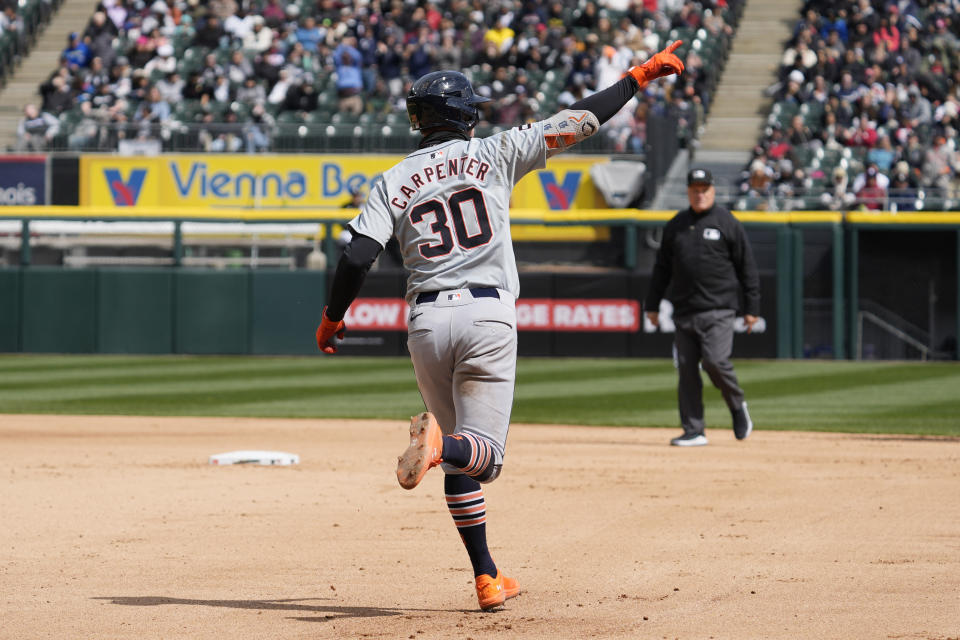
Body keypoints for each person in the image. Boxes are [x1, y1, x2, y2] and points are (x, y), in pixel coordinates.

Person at [315, 43, 685, 609]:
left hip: (426, 323)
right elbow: (580, 120)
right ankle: (439, 449)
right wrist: (638, 75)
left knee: (460, 446)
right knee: (482, 456)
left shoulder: (391, 179)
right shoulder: (497, 151)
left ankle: (487, 577)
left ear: (418, 119)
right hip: (487, 314)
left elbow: (356, 257)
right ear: (466, 115)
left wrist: (333, 317)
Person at [644, 168, 760, 447]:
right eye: (695, 189)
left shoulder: (726, 221)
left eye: (704, 188)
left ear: (713, 191)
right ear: (688, 191)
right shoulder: (676, 225)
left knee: (715, 361)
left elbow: (747, 267)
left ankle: (736, 404)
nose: (700, 193)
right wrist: (653, 305)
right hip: (684, 309)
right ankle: (694, 429)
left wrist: (751, 307)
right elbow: (661, 270)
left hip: (719, 308)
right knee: (686, 371)